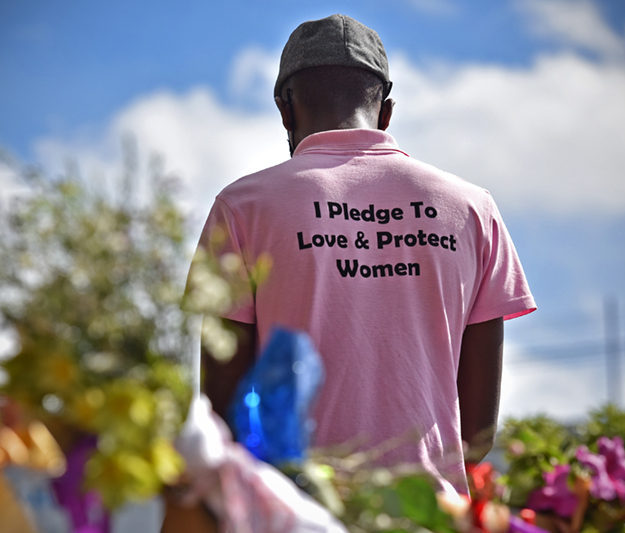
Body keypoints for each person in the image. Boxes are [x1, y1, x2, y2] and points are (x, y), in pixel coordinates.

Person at [189, 13, 536, 492]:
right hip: (432, 516)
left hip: (297, 513)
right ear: (387, 111)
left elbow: (221, 409)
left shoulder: (242, 208)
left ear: (285, 108)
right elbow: (477, 432)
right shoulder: (472, 208)